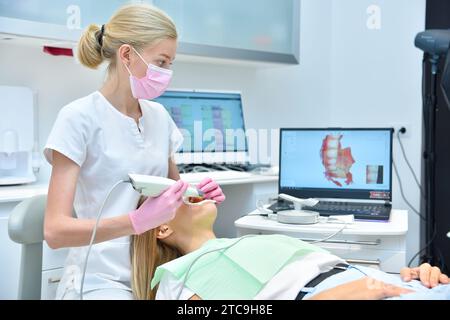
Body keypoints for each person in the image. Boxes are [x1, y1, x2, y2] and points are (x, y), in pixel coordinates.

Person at [43, 4, 225, 300]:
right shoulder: (78, 117)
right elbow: (55, 231)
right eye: (161, 62)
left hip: (156, 271)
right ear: (126, 55)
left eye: (170, 63)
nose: (167, 73)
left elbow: (174, 197)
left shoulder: (159, 117)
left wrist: (198, 195)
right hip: (98, 279)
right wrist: (137, 221)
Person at [130, 199, 450, 300]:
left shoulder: (240, 242)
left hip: (384, 284)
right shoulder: (176, 276)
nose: (188, 192)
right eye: (173, 198)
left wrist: (412, 275)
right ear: (162, 227)